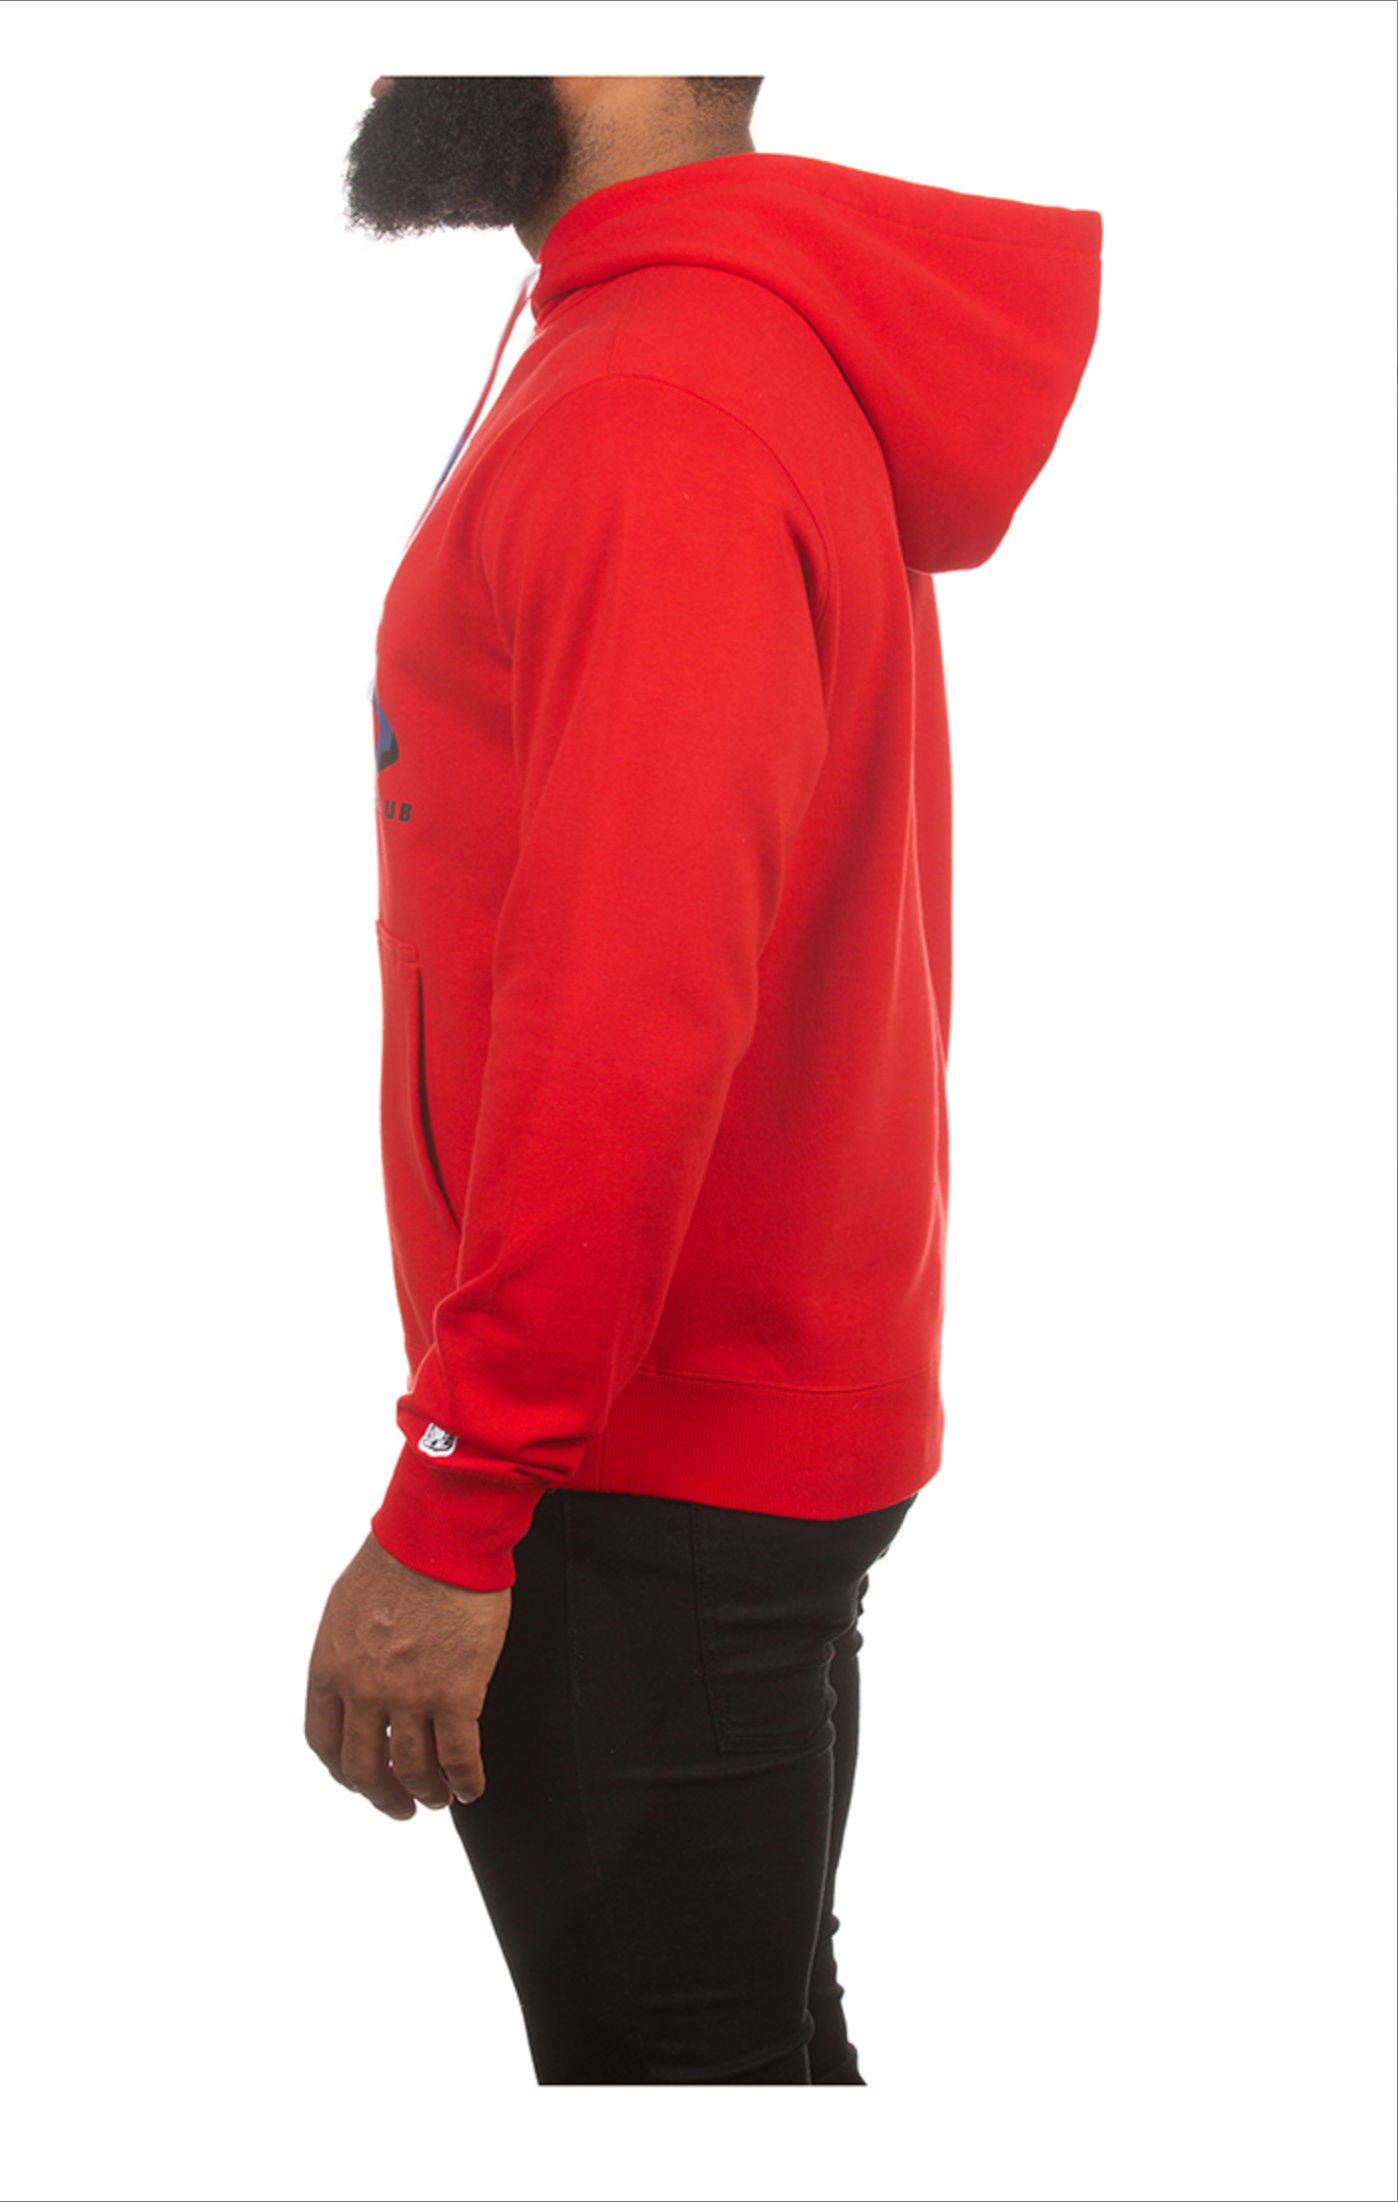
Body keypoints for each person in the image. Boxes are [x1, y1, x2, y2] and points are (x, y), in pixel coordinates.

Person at [304, 75, 1101, 2086]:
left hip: (628, 1467)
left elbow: (629, 1002)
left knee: (682, 2095)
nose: (387, 58)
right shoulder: (685, 350)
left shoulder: (656, 400)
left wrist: (461, 1491)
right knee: (750, 2064)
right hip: (698, 1424)